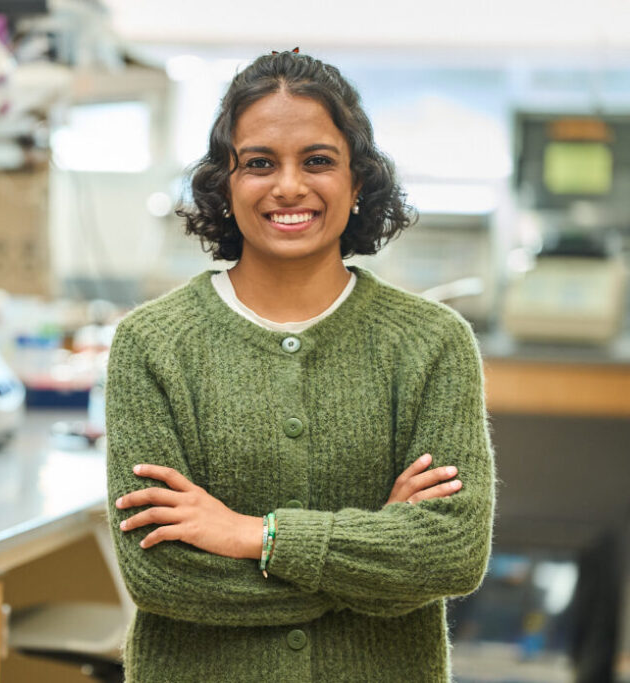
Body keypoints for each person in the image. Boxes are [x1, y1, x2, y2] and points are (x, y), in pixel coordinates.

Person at [105, 50, 496, 682]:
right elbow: (163, 576)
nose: (289, 186)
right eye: (259, 163)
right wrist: (375, 562)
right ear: (224, 184)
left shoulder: (432, 342)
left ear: (358, 181)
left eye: (317, 161)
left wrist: (252, 536)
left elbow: (449, 554)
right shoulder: (152, 344)